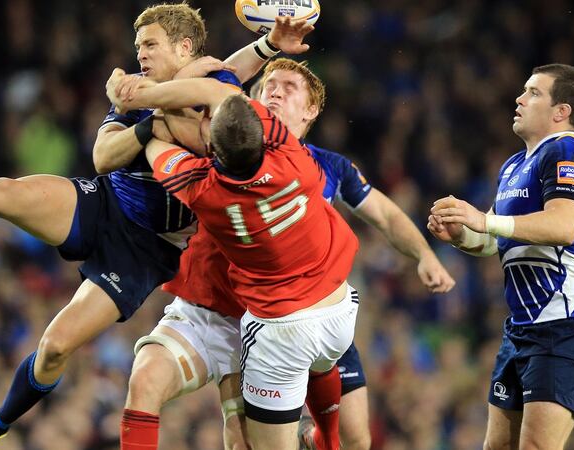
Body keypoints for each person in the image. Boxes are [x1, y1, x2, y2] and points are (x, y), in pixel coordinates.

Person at [0, 4, 312, 449]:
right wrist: (152, 124)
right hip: (103, 203)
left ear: (185, 49)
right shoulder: (137, 91)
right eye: (138, 46)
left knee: (55, 347)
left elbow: (207, 138)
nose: (140, 55)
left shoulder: (210, 85)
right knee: (2, 191)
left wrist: (153, 109)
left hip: (146, 251)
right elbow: (104, 157)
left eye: (151, 45)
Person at [115, 58, 455, 450]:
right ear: (252, 103)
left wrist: (422, 254)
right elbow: (218, 98)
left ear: (312, 110)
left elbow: (386, 214)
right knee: (239, 436)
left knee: (356, 440)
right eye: (267, 85)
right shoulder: (241, 148)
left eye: (288, 87)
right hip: (229, 310)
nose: (273, 90)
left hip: (294, 311)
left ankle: (321, 436)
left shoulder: (222, 172)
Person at [108, 70, 361, 450]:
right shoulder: (298, 160)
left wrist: (140, 105)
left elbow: (158, 148)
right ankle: (328, 438)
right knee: (146, 380)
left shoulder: (202, 188)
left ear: (212, 148)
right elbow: (217, 92)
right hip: (334, 308)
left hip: (278, 326)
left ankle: (328, 438)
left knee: (250, 443)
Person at [427, 63, 574, 450]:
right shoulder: (512, 167)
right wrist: (460, 235)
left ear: (562, 111)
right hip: (520, 330)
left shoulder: (566, 150)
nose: (520, 99)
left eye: (534, 92)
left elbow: (563, 226)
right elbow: (494, 242)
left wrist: (482, 220)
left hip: (563, 328)